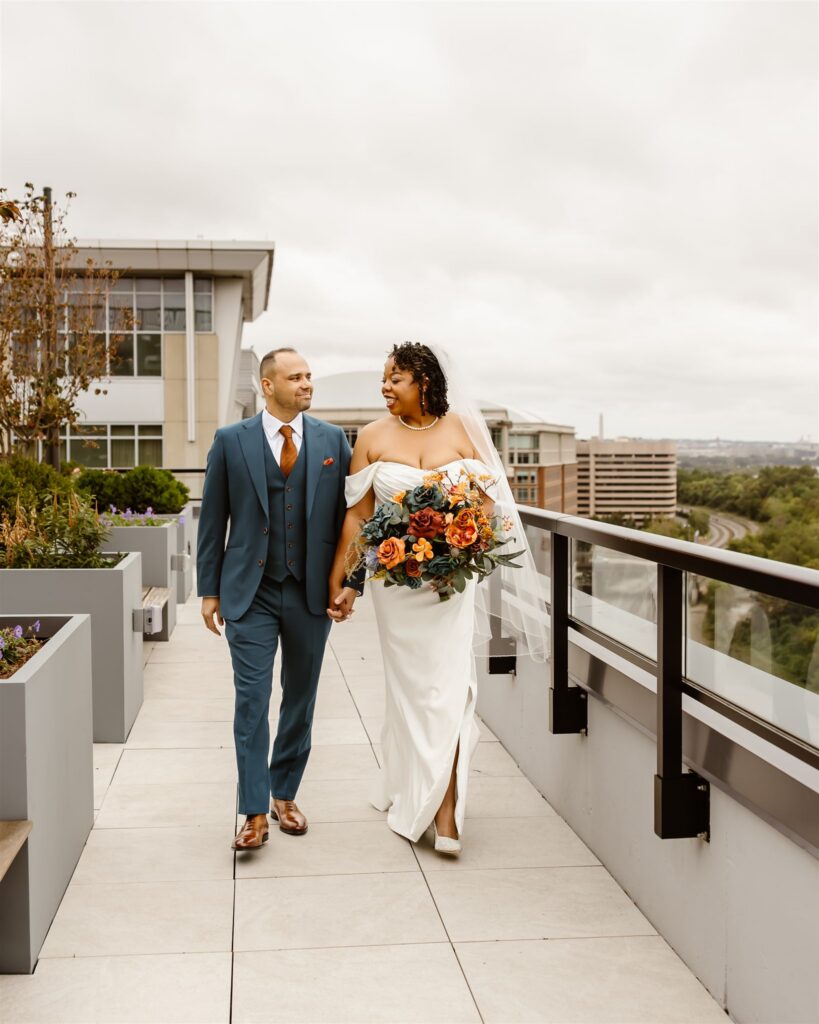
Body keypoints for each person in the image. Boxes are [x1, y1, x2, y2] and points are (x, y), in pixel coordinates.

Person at [329, 342, 546, 854]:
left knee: (447, 689)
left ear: (424, 381)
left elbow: (489, 512)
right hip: (394, 589)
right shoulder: (371, 437)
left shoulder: (465, 432)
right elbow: (358, 517)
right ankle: (411, 783)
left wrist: (459, 544)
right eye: (383, 378)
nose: (384, 387)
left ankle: (445, 809)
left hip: (449, 585)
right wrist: (345, 582)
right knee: (408, 691)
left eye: (394, 378)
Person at [198, 347, 362, 851]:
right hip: (250, 591)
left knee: (301, 696)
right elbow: (213, 520)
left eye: (309, 376)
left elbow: (352, 521)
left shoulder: (334, 440)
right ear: (267, 386)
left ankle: (284, 793)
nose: (307, 384)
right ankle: (252, 812)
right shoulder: (231, 441)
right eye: (296, 377)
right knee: (251, 701)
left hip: (311, 592)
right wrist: (209, 590)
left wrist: (352, 581)